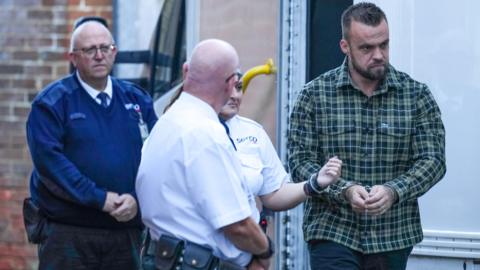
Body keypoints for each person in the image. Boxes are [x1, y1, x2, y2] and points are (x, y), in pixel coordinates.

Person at [287, 3, 446, 270]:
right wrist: (344, 190)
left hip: (393, 235)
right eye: (366, 48)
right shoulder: (314, 95)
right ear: (345, 46)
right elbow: (299, 162)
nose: (378, 55)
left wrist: (394, 191)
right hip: (332, 230)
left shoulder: (416, 95)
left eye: (384, 45)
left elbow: (433, 161)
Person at [25, 20, 157, 270]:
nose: (99, 55)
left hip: (125, 231)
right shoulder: (51, 104)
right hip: (69, 236)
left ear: (114, 52)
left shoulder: (137, 99)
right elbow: (50, 165)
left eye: (105, 48)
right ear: (73, 57)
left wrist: (137, 199)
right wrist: (100, 198)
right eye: (89, 50)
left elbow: (158, 157)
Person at [219, 79, 343, 220]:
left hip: (246, 238)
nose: (235, 95)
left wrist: (315, 183)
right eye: (227, 87)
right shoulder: (192, 129)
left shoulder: (252, 131)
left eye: (239, 87)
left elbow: (274, 193)